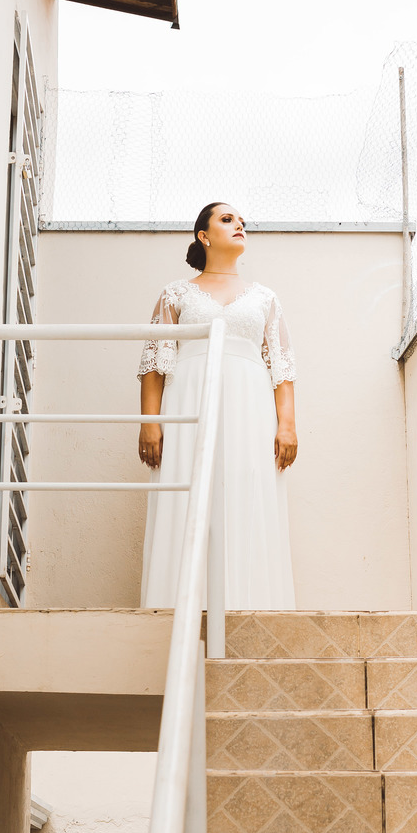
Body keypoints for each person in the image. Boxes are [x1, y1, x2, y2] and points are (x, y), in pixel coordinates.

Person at [137, 202, 297, 609]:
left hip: (250, 407)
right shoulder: (175, 293)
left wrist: (287, 425)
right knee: (189, 492)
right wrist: (150, 423)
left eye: (242, 221)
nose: (239, 224)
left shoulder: (265, 298)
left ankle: (251, 605)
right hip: (189, 401)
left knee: (245, 489)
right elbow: (155, 364)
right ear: (203, 236)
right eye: (227, 219)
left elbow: (281, 368)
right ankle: (180, 607)